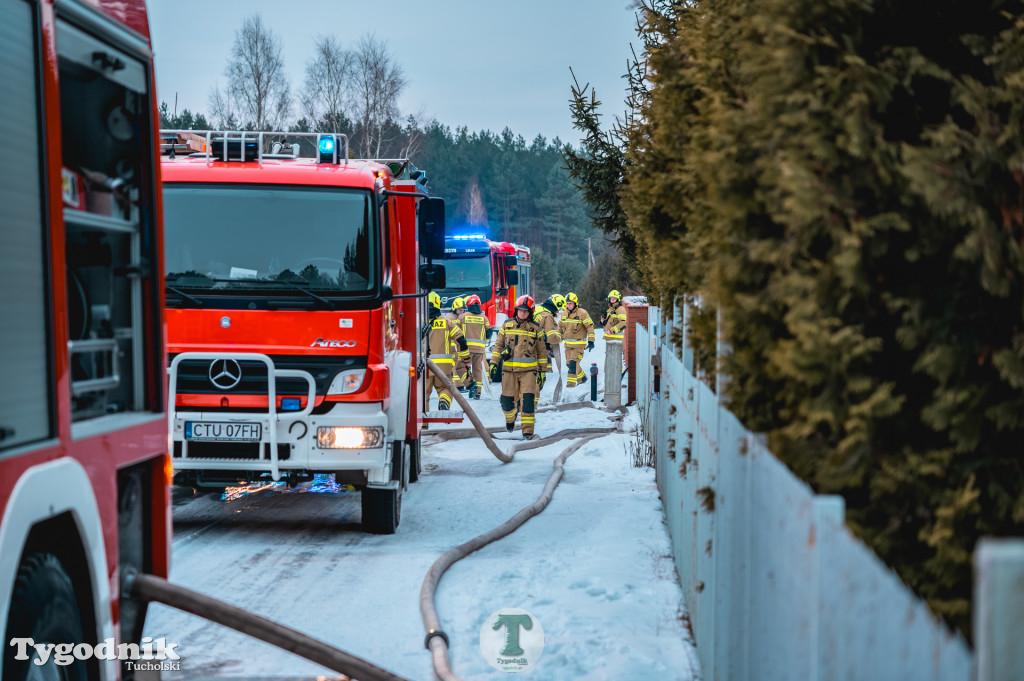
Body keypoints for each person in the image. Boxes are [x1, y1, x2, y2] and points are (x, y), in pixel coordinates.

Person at [489, 295, 549, 438]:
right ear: (516, 310)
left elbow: (541, 353)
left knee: (528, 401)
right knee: (507, 402)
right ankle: (510, 419)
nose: (522, 313)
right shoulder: (506, 325)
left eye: (525, 311)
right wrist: (493, 363)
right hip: (508, 372)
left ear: (531, 312)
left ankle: (527, 431)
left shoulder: (536, 329)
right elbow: (498, 346)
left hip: (529, 373)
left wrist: (542, 372)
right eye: (520, 310)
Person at [424, 291, 469, 410]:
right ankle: (444, 401)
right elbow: (461, 340)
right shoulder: (447, 323)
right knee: (446, 388)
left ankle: (422, 426)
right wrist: (466, 359)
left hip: (423, 367)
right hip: (443, 367)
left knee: (423, 396)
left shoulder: (418, 322)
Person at [558, 292, 595, 388]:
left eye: (571, 303)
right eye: (567, 303)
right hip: (567, 346)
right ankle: (582, 379)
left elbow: (590, 327)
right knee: (568, 364)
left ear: (575, 304)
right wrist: (557, 337)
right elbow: (560, 328)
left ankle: (570, 387)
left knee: (573, 365)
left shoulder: (582, 313)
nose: (569, 305)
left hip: (579, 346)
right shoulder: (563, 314)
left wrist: (591, 341)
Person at [533, 294, 565, 391]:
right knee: (536, 382)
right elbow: (551, 337)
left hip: (530, 347)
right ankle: (531, 403)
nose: (558, 311)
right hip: (537, 351)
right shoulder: (547, 316)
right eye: (558, 308)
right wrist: (560, 337)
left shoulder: (538, 311)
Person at [458, 294, 488, 399]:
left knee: (461, 366)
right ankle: (477, 393)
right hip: (480, 350)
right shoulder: (484, 318)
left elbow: (457, 333)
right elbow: (489, 332)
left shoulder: (462, 317)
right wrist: (484, 342)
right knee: (477, 370)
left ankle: (469, 385)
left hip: (466, 349)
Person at [446, 297, 468, 390]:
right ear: (454, 308)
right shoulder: (451, 318)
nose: (461, 312)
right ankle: (458, 386)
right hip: (452, 346)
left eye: (463, 310)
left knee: (458, 365)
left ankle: (463, 384)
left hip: (455, 346)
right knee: (454, 366)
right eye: (459, 310)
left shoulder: (456, 317)